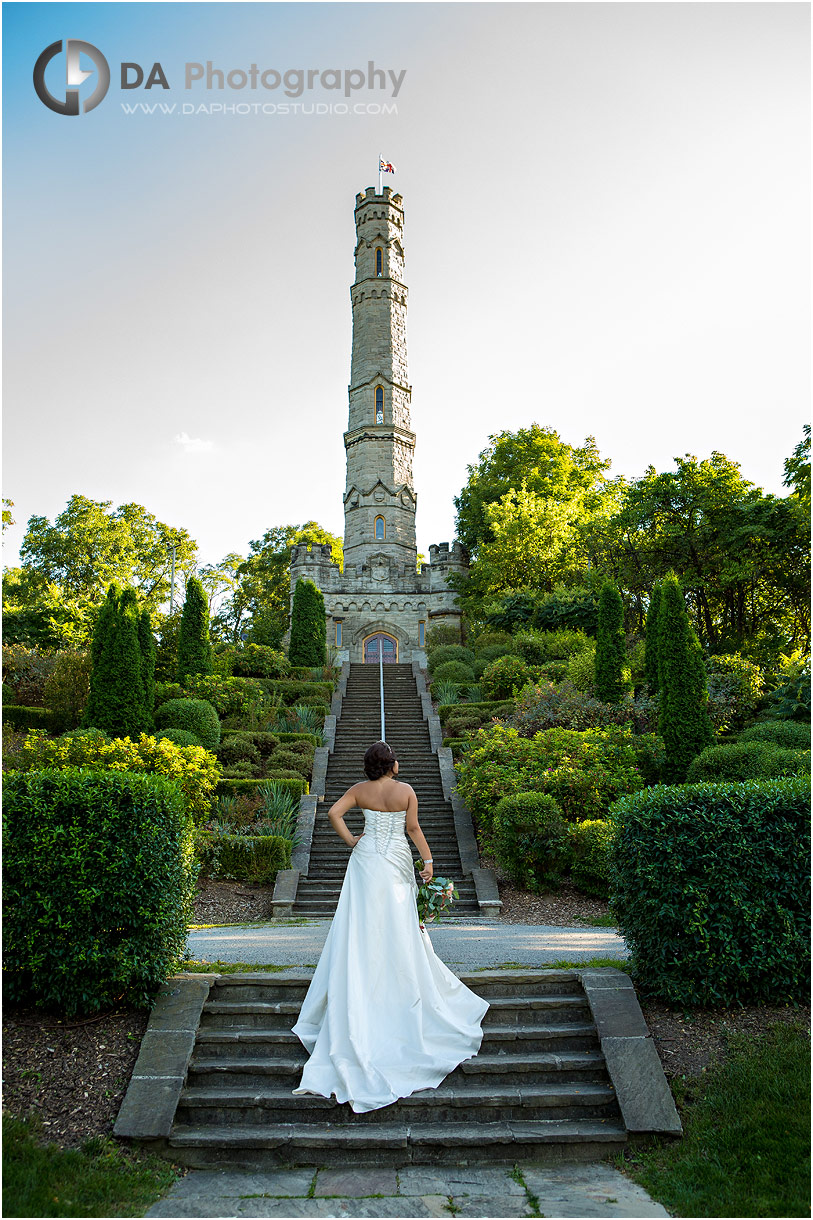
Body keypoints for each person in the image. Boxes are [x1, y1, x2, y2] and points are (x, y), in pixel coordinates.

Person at [291, 740, 489, 1114]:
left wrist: (352, 839)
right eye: (396, 757)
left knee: (361, 920)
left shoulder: (358, 790)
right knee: (399, 920)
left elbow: (333, 813)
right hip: (396, 857)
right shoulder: (406, 791)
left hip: (367, 859)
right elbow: (412, 828)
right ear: (390, 764)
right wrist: (428, 860)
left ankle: (363, 969)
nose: (399, 761)